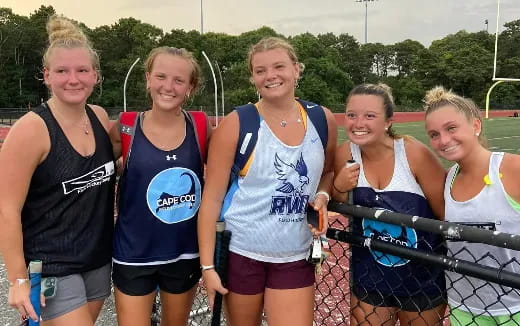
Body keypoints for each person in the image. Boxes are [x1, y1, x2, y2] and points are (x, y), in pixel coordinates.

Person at [198, 36, 337, 326]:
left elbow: (328, 171)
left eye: (279, 66)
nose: (270, 76)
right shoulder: (238, 124)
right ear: (252, 77)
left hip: (295, 253)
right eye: (260, 70)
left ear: (297, 69)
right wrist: (208, 266)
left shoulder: (321, 119)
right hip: (242, 253)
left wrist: (323, 194)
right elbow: (211, 199)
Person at [0, 15, 115, 325]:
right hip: (51, 265)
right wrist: (18, 280)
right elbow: (6, 209)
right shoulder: (32, 130)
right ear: (47, 76)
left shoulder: (100, 119)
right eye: (62, 71)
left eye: (82, 70)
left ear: (95, 76)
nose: (73, 79)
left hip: (96, 260)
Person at [109, 46, 210, 326]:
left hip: (184, 251)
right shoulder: (126, 126)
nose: (169, 86)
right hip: (133, 254)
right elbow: (92, 169)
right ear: (148, 79)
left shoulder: (200, 126)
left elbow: (229, 171)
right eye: (161, 76)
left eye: (179, 80)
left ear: (191, 87)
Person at [332, 83, 447, 326]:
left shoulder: (413, 154)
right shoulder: (346, 153)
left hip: (422, 279)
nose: (358, 122)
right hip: (370, 277)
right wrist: (339, 187)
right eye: (351, 115)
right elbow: (334, 196)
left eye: (369, 116)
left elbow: (445, 212)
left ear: (388, 121)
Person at [424, 86, 520, 326]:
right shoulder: (448, 179)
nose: (444, 140)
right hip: (464, 308)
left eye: (451, 128)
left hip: (515, 307)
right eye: (434, 134)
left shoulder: (511, 169)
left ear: (476, 126)